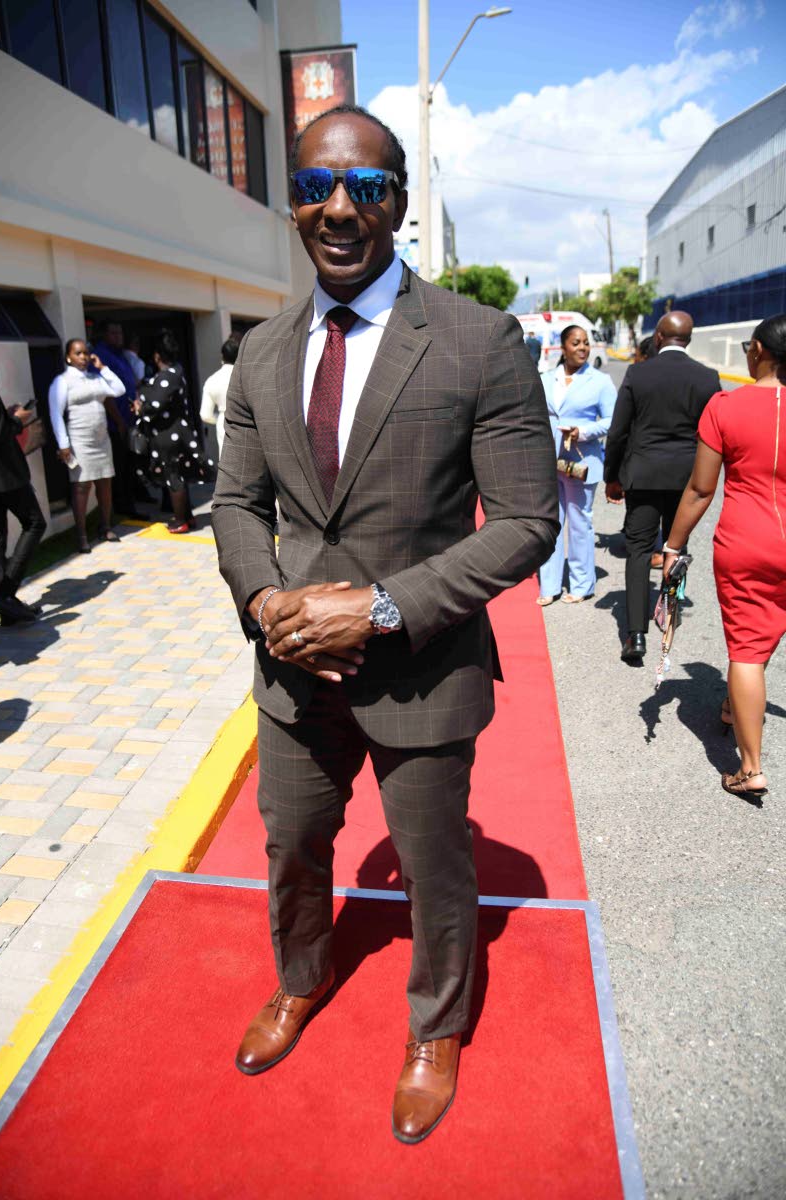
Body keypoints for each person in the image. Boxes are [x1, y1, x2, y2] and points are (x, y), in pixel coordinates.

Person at [211, 104, 558, 1144]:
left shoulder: (476, 339)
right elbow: (235, 507)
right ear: (291, 205)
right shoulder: (261, 350)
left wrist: (383, 605)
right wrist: (266, 600)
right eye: (316, 186)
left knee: (435, 862)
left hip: (420, 668)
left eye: (364, 188)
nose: (337, 208)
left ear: (397, 202)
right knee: (292, 844)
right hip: (290, 671)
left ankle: (434, 1028)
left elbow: (528, 522)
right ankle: (298, 979)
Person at [663, 315, 786, 802]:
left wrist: (673, 545)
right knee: (765, 634)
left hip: (746, 542)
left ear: (757, 350)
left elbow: (700, 489)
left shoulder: (725, 406)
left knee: (747, 649)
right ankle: (738, 706)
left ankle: (749, 767)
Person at [604, 311, 720, 662]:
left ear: (657, 336)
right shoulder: (707, 378)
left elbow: (619, 430)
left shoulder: (638, 373)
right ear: (689, 339)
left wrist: (613, 476)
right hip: (687, 479)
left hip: (642, 474)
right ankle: (669, 615)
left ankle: (635, 635)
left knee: (639, 549)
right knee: (676, 546)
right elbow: (713, 435)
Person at [537, 324, 616, 605]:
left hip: (581, 463)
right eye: (576, 342)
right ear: (563, 347)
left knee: (580, 523)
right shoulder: (546, 378)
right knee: (550, 523)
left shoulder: (600, 381)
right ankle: (549, 585)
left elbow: (612, 421)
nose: (583, 347)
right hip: (548, 462)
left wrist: (582, 432)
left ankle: (582, 584)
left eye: (586, 343)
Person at [0, 333, 46, 624]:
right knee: (35, 522)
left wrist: (5, 416)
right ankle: (4, 594)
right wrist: (17, 418)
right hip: (1, 472)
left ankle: (7, 608)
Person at [48, 339, 127, 553]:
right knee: (81, 487)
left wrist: (103, 368)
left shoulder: (95, 377)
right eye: (78, 353)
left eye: (85, 353)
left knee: (105, 483)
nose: (83, 357)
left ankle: (105, 526)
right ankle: (82, 535)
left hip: (101, 440)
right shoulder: (62, 381)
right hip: (79, 440)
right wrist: (63, 444)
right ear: (68, 357)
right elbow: (56, 414)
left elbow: (119, 390)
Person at [135, 330, 212, 534]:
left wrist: (140, 408)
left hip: (168, 434)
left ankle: (180, 520)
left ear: (157, 356)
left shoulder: (167, 376)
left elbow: (154, 405)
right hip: (176, 432)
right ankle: (187, 517)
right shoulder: (177, 371)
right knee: (179, 475)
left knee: (173, 476)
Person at [91, 321, 140, 516]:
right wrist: (119, 421)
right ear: (104, 335)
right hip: (114, 424)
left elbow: (131, 382)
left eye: (120, 332)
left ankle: (132, 501)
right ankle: (123, 509)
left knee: (130, 466)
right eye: (113, 333)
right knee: (120, 468)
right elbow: (105, 395)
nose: (118, 337)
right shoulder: (100, 356)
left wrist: (136, 399)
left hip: (129, 420)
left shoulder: (121, 355)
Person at [200, 336, 238, 456]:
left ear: (222, 357)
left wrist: (219, 417)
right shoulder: (247, 376)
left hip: (224, 422)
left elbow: (205, 415)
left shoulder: (212, 381)